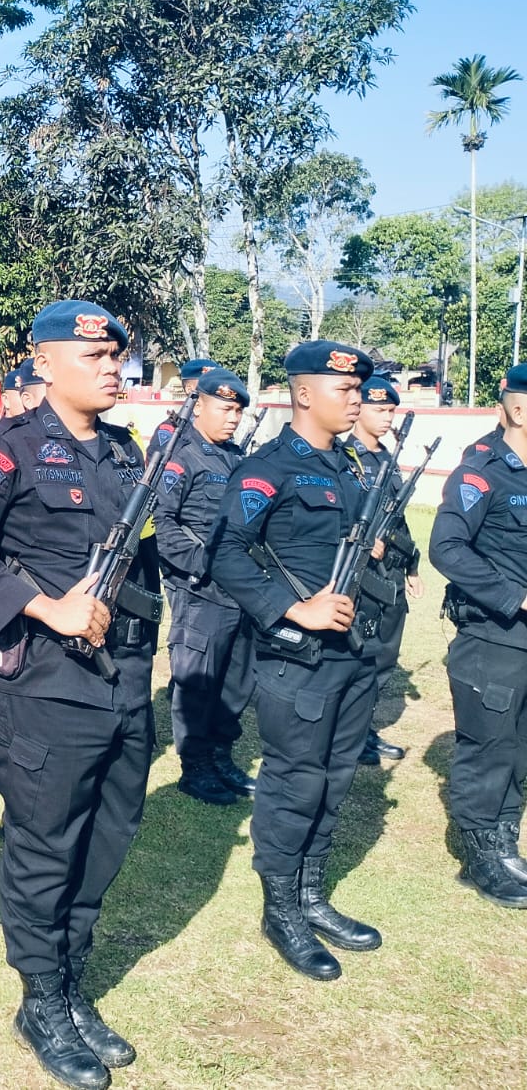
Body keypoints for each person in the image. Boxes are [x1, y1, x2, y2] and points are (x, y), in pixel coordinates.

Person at [0, 300, 156, 1090]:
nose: (109, 366)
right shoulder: (6, 449)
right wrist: (42, 606)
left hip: (126, 679)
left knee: (109, 833)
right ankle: (40, 1000)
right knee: (45, 843)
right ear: (45, 361)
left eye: (115, 356)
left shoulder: (129, 454)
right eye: (92, 355)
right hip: (49, 685)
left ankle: (70, 979)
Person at [208, 340, 383, 983]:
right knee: (295, 778)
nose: (356, 399)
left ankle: (312, 893)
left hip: (353, 652)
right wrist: (292, 608)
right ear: (305, 393)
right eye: (345, 390)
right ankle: (280, 907)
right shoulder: (268, 468)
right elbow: (225, 552)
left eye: (359, 389)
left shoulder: (355, 467)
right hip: (297, 656)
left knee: (336, 775)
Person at [427, 362, 527, 909]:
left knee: (517, 747)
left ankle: (505, 838)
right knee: (488, 746)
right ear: (516, 408)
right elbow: (447, 547)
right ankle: (480, 855)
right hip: (493, 635)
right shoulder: (482, 471)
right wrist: (517, 597)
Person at [152, 368, 257, 806]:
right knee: (199, 678)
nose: (232, 418)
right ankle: (195, 766)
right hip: (200, 589)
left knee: (237, 678)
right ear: (200, 406)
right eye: (225, 408)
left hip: (242, 589)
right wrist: (205, 565)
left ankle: (220, 755)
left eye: (237, 411)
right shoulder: (181, 456)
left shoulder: (236, 458)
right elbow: (161, 522)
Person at [345, 376, 422, 767]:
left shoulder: (387, 460)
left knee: (384, 656)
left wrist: (412, 566)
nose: (386, 417)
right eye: (379, 409)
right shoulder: (345, 457)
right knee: (362, 654)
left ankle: (363, 729)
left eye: (391, 410)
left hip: (389, 574)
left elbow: (400, 519)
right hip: (361, 575)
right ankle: (351, 735)